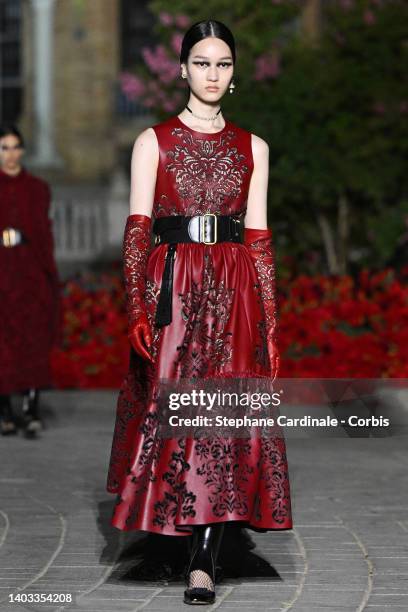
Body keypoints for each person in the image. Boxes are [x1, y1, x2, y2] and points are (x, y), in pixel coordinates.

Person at [106, 20, 293, 605]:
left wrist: (269, 322)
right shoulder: (152, 142)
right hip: (175, 292)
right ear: (183, 69)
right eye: (203, 62)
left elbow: (259, 239)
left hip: (235, 289)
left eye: (224, 64)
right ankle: (175, 534)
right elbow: (137, 232)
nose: (213, 73)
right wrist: (136, 305)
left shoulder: (253, 147)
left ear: (233, 75)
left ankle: (204, 560)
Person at [0, 125, 61, 437]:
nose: (10, 154)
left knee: (32, 334)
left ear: (22, 150)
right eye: (4, 148)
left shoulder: (37, 188)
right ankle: (6, 410)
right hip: (2, 269)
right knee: (4, 338)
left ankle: (32, 406)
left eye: (15, 147)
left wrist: (48, 274)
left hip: (29, 268)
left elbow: (43, 232)